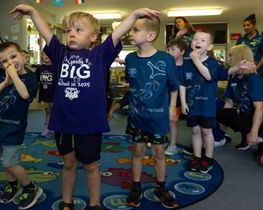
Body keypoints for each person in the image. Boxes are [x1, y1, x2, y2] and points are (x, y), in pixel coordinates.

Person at [10, 4, 160, 210]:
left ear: (93, 37)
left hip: (89, 124)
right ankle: (67, 202)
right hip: (63, 122)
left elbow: (116, 35)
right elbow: (46, 33)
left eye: (79, 30)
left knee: (91, 166)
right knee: (69, 164)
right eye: (69, 30)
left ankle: (95, 204)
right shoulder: (60, 53)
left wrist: (134, 15)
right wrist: (33, 12)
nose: (71, 34)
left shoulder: (100, 55)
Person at [124, 15, 179, 209]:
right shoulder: (129, 59)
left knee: (158, 153)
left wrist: (172, 107)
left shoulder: (165, 59)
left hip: (157, 116)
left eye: (135, 30)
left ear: (151, 35)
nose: (130, 33)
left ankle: (161, 188)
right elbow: (132, 85)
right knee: (137, 150)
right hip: (136, 116)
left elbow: (173, 86)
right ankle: (136, 186)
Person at [180, 31, 252, 173]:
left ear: (209, 47)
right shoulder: (186, 63)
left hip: (207, 105)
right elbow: (182, 84)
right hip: (192, 105)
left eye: (202, 40)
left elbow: (208, 76)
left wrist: (196, 60)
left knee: (207, 131)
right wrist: (183, 103)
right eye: (195, 39)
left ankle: (208, 158)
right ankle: (197, 156)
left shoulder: (212, 62)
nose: (198, 42)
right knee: (195, 131)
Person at [0, 42, 40, 209]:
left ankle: (31, 188)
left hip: (13, 129)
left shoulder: (30, 78)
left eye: (13, 57)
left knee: (10, 163)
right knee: (3, 160)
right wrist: (5, 82)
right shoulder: (1, 78)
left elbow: (24, 94)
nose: (9, 62)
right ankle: (13, 185)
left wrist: (14, 77)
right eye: (4, 61)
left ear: (23, 57)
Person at [217, 44, 263, 150]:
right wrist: (223, 122)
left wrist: (254, 132)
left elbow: (260, 108)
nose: (229, 59)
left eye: (231, 56)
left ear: (239, 58)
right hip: (243, 114)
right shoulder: (234, 78)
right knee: (221, 113)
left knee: (241, 118)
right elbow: (228, 103)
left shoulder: (254, 78)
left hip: (258, 117)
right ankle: (243, 137)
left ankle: (257, 136)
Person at [165, 38, 187, 156]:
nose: (169, 52)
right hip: (166, 99)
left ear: (182, 51)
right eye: (168, 50)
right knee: (164, 121)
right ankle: (163, 140)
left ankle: (173, 145)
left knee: (172, 122)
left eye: (173, 49)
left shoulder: (186, 67)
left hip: (178, 101)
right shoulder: (168, 66)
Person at [36, 51, 56, 137]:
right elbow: (36, 81)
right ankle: (47, 127)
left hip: (55, 93)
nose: (46, 56)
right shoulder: (39, 69)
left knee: (56, 111)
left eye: (48, 54)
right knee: (48, 111)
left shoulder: (56, 67)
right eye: (44, 54)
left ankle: (55, 127)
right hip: (45, 93)